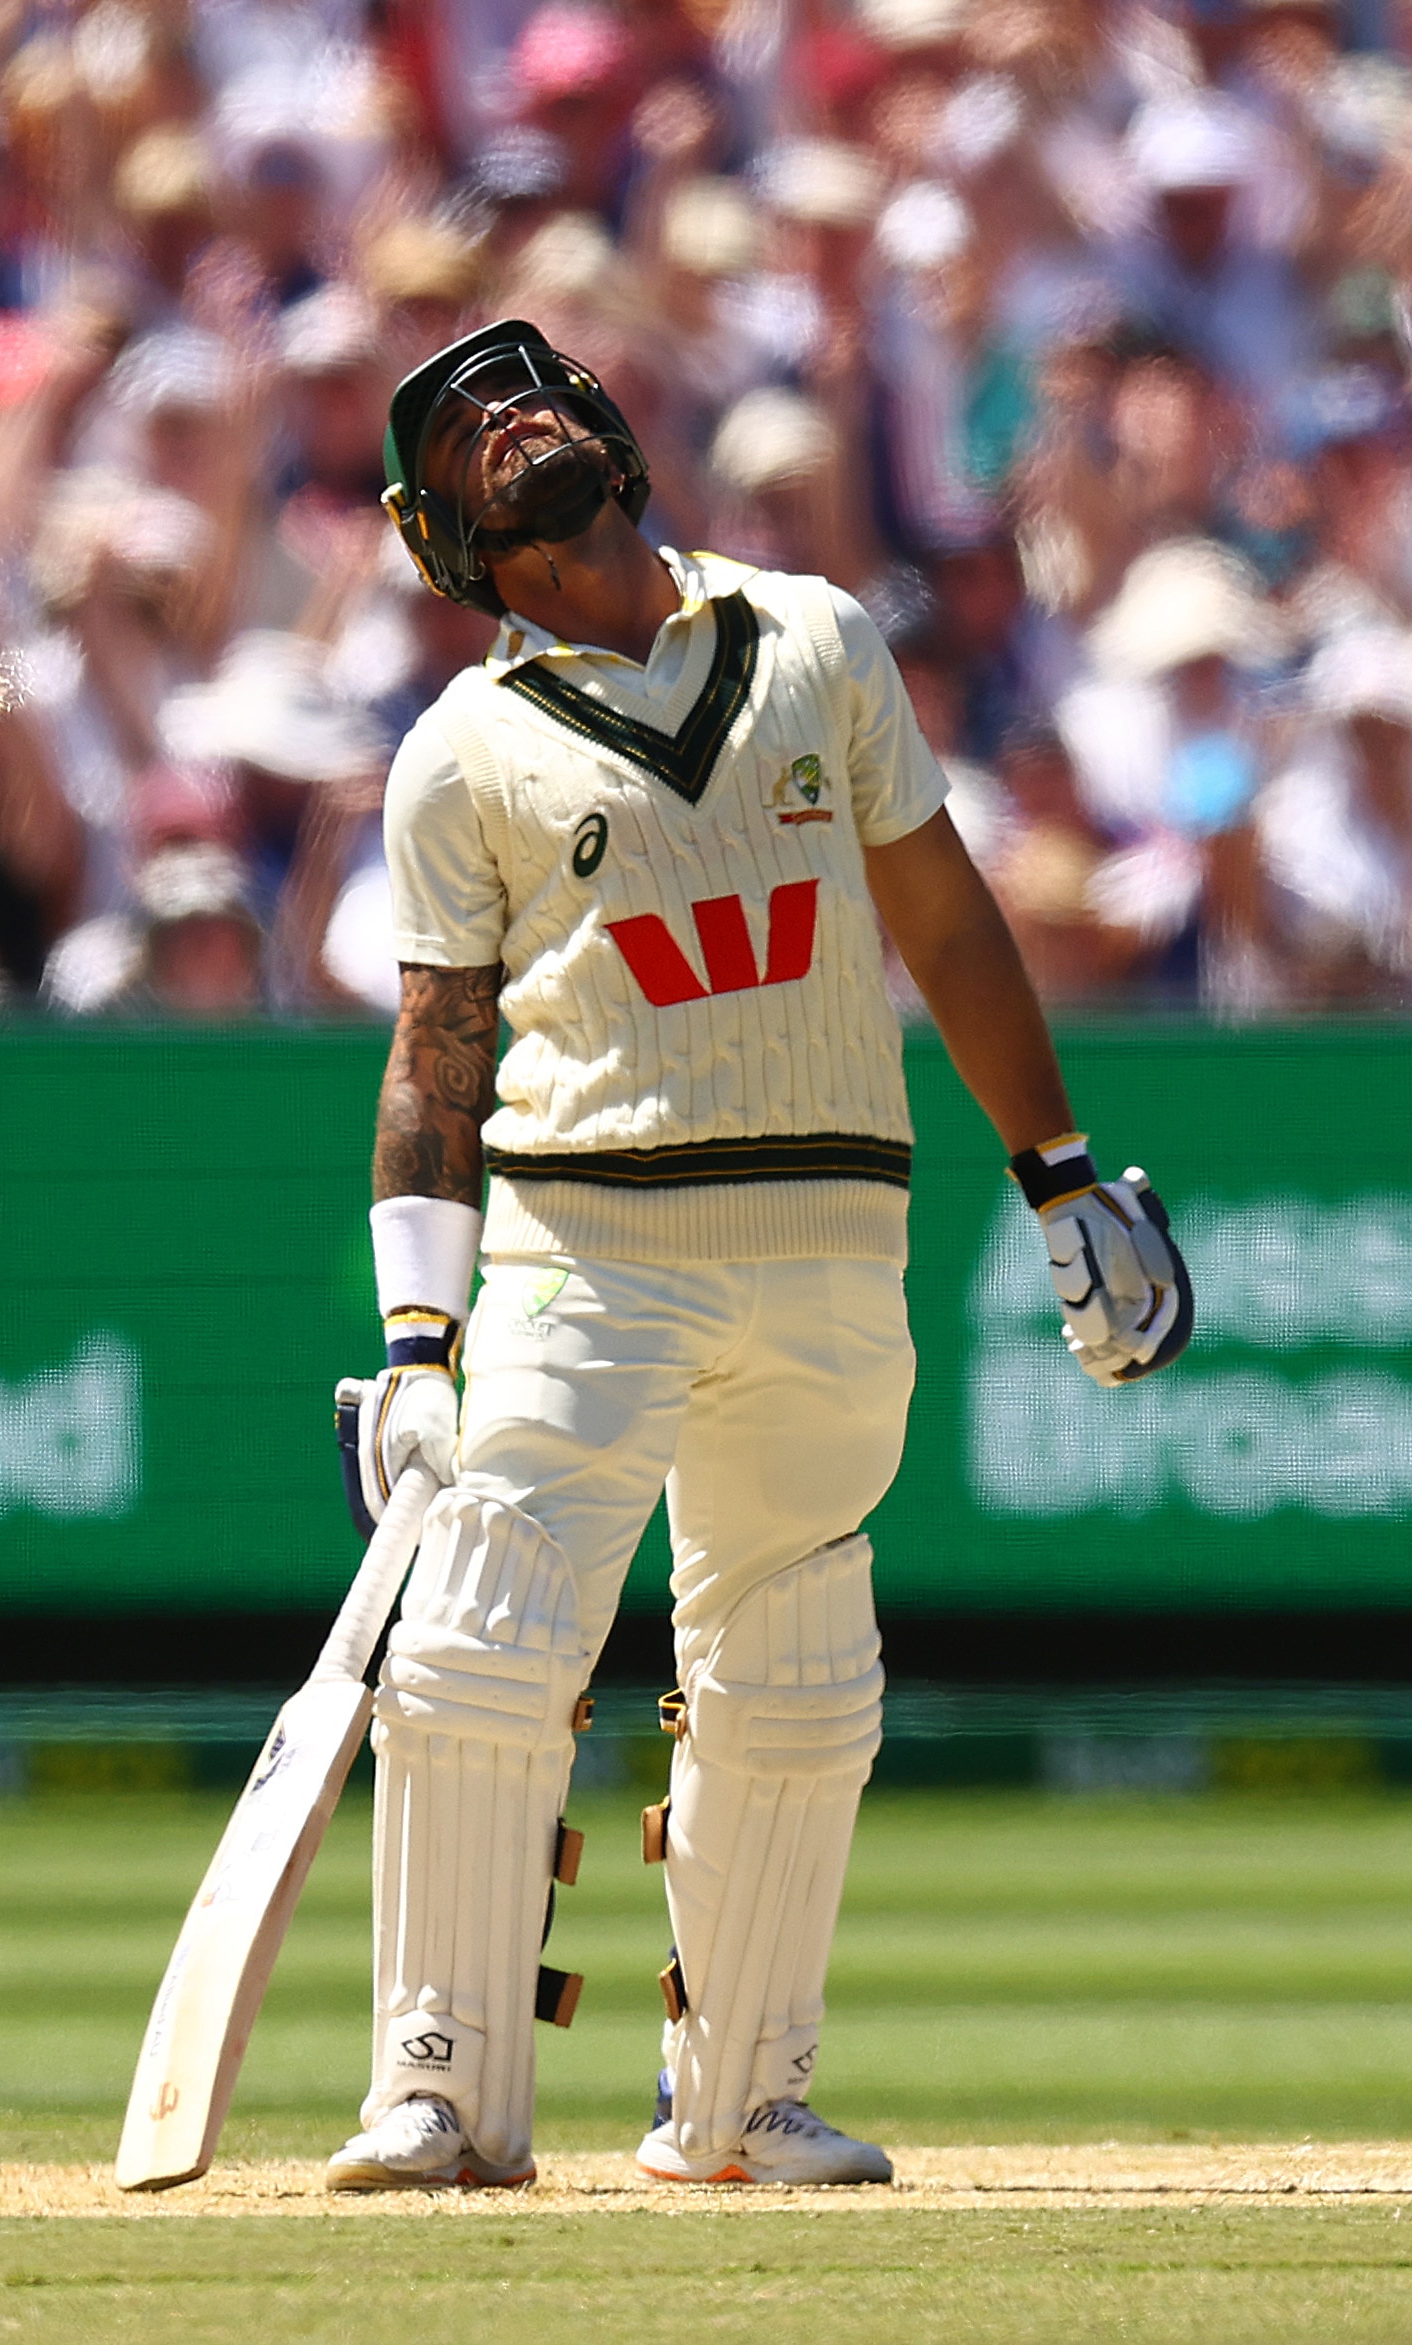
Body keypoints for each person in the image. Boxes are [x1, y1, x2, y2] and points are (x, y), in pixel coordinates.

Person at [326, 319, 1193, 2193]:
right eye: (469, 431)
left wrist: (1060, 1177)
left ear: (617, 431)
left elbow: (947, 923)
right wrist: (416, 1334)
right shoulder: (460, 745)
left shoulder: (813, 636)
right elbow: (437, 1051)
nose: (516, 424)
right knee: (481, 1646)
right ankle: (442, 2086)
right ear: (444, 532)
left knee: (794, 1660)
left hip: (829, 1230)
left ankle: (741, 2100)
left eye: (534, 393)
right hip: (585, 1240)